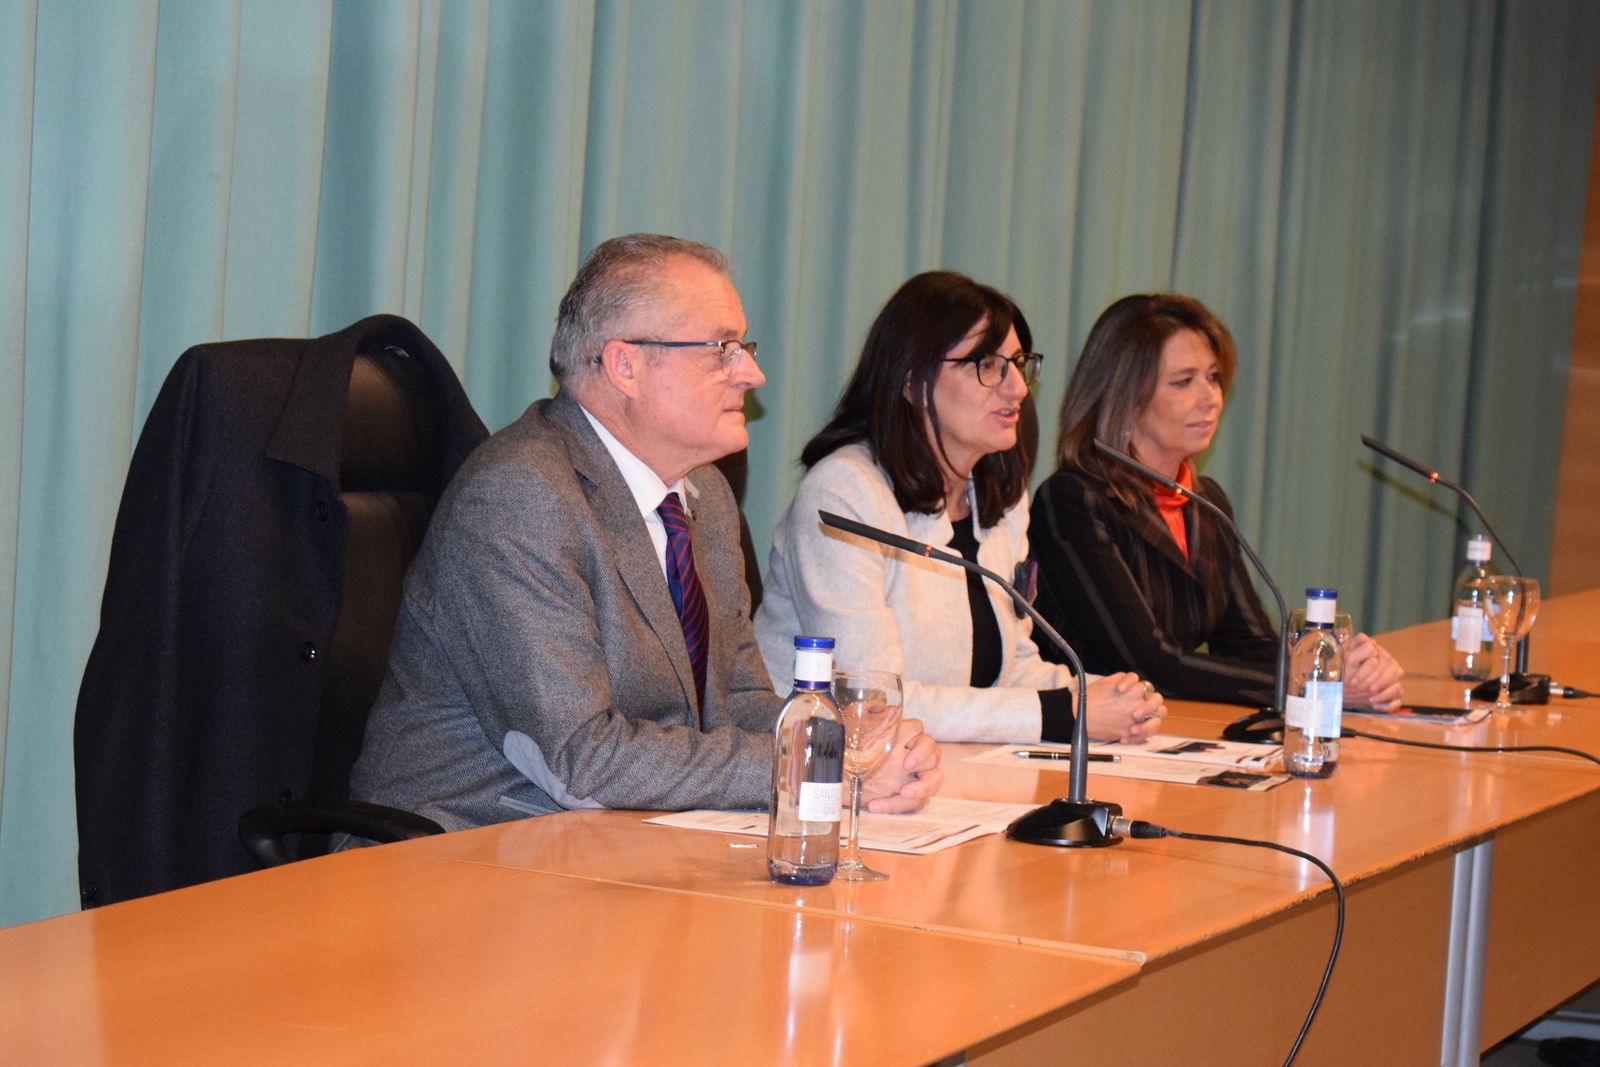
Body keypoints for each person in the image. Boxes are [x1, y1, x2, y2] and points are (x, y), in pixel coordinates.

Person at [347, 234, 942, 832]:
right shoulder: (520, 496)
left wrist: (848, 745)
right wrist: (809, 765)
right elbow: (582, 761)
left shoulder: (703, 492)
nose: (753, 374)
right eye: (722, 349)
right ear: (624, 365)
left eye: (744, 348)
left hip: (619, 837)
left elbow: (738, 704)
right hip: (465, 846)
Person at [753, 271, 1166, 744]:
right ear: (912, 380)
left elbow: (1009, 670)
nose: (1017, 389)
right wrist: (1062, 714)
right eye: (988, 365)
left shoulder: (998, 495)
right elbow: (872, 701)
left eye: (1018, 364)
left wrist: (1103, 696)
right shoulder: (843, 495)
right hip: (812, 761)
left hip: (944, 761)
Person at [1029, 292, 1404, 710]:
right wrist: (1306, 683)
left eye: (1213, 377)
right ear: (1125, 396)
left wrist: (1330, 669)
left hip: (1167, 726)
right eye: (1183, 382)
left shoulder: (1205, 502)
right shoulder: (1074, 501)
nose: (1211, 398)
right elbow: (1149, 663)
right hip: (1088, 733)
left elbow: (1248, 641)